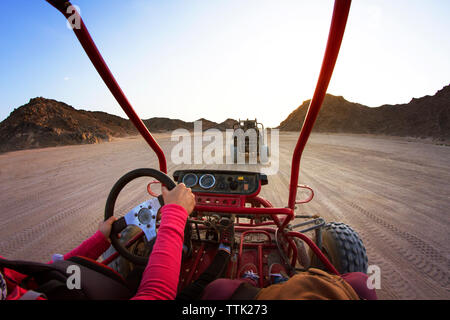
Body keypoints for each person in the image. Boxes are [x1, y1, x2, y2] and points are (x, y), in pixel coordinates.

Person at [1, 183, 195, 300]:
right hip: (105, 289)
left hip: (80, 286)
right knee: (221, 289)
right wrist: (176, 213)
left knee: (139, 270)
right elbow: (157, 295)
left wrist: (99, 240)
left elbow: (47, 272)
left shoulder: (7, 277)